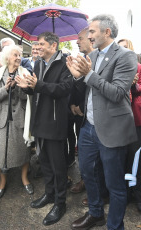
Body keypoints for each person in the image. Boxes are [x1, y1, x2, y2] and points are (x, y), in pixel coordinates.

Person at [66, 14, 137, 230]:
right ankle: (96, 213)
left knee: (114, 184)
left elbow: (116, 93)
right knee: (88, 173)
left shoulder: (126, 56)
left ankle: (115, 226)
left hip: (112, 129)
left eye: (92, 31)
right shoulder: (94, 55)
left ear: (107, 32)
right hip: (88, 128)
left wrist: (88, 75)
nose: (88, 36)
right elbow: (90, 89)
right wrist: (78, 76)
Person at [16, 32, 72, 226]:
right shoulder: (38, 64)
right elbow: (35, 89)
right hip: (39, 120)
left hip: (55, 122)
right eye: (37, 44)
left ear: (53, 46)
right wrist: (26, 87)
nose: (37, 47)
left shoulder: (66, 63)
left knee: (58, 166)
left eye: (41, 44)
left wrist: (38, 85)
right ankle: (49, 194)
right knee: (44, 161)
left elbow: (64, 89)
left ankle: (60, 203)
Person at [0, 45, 33, 201]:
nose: (19, 58)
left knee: (24, 151)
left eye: (20, 55)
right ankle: (2, 183)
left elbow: (28, 98)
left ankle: (24, 179)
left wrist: (21, 87)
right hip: (1, 120)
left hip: (20, 118)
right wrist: (6, 88)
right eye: (16, 55)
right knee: (1, 153)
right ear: (7, 58)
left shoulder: (25, 73)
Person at [69, 27, 95, 195]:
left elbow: (94, 89)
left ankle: (96, 187)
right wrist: (73, 104)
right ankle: (85, 179)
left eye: (80, 38)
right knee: (84, 154)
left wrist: (83, 108)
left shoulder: (98, 59)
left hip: (93, 115)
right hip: (78, 115)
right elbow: (75, 86)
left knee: (96, 157)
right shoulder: (80, 59)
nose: (77, 41)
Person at [118, 38, 141, 212]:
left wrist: (134, 86)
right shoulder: (115, 68)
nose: (122, 50)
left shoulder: (138, 68)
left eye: (125, 48)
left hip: (135, 121)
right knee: (123, 159)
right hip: (118, 121)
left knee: (136, 160)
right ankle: (125, 193)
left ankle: (137, 194)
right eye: (119, 48)